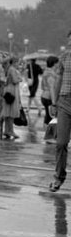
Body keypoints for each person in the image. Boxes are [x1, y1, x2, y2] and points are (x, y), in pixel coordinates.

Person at [49, 30, 71, 192]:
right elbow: (58, 80)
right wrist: (54, 103)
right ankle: (58, 177)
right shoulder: (64, 57)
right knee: (61, 142)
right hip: (64, 102)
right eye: (69, 41)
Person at [0, 55, 22, 140]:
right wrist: (20, 79)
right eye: (18, 62)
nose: (19, 64)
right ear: (14, 62)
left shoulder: (9, 69)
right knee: (11, 112)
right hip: (12, 90)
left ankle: (7, 130)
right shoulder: (12, 69)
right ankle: (10, 131)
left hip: (9, 90)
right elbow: (15, 81)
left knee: (8, 112)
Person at [41, 55, 59, 126]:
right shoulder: (50, 74)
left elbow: (42, 86)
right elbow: (52, 88)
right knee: (50, 118)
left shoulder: (46, 71)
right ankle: (47, 134)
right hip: (49, 97)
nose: (58, 64)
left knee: (47, 116)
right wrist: (54, 102)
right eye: (57, 62)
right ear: (54, 63)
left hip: (44, 95)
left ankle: (46, 134)